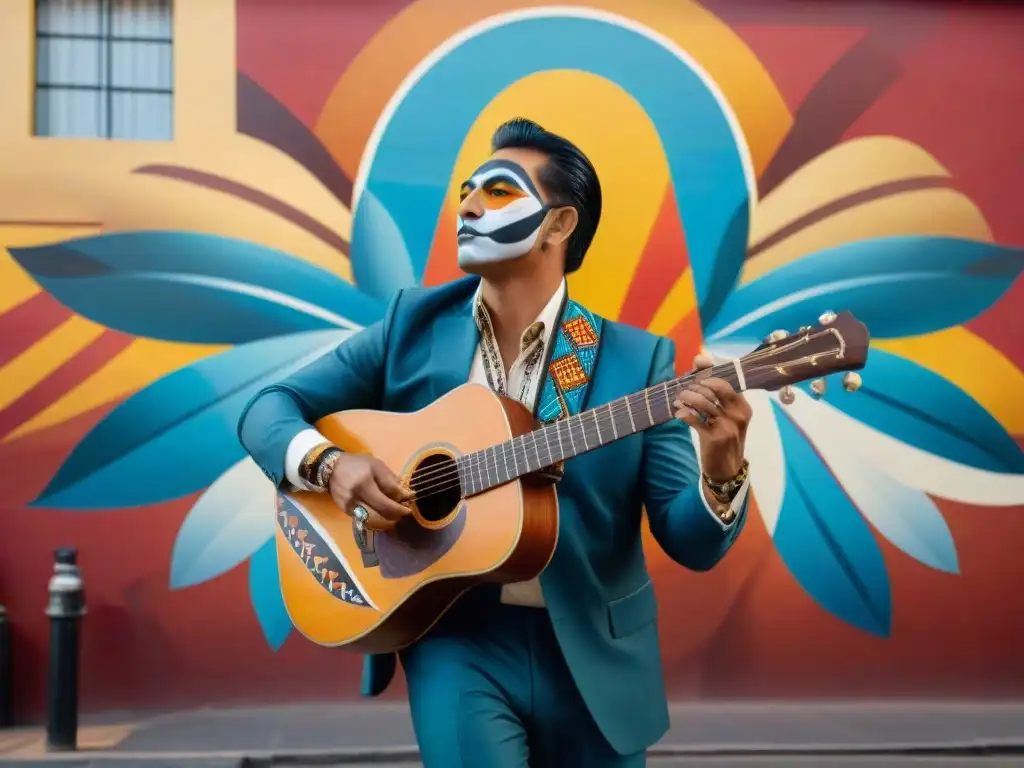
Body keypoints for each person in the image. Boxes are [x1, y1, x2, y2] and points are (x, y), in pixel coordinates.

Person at [238, 117, 752, 768]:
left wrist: (722, 471)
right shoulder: (410, 325)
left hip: (593, 649)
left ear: (560, 226)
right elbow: (268, 409)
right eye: (467, 191)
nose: (470, 204)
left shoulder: (638, 362)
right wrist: (330, 465)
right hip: (456, 637)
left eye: (500, 191)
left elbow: (691, 540)